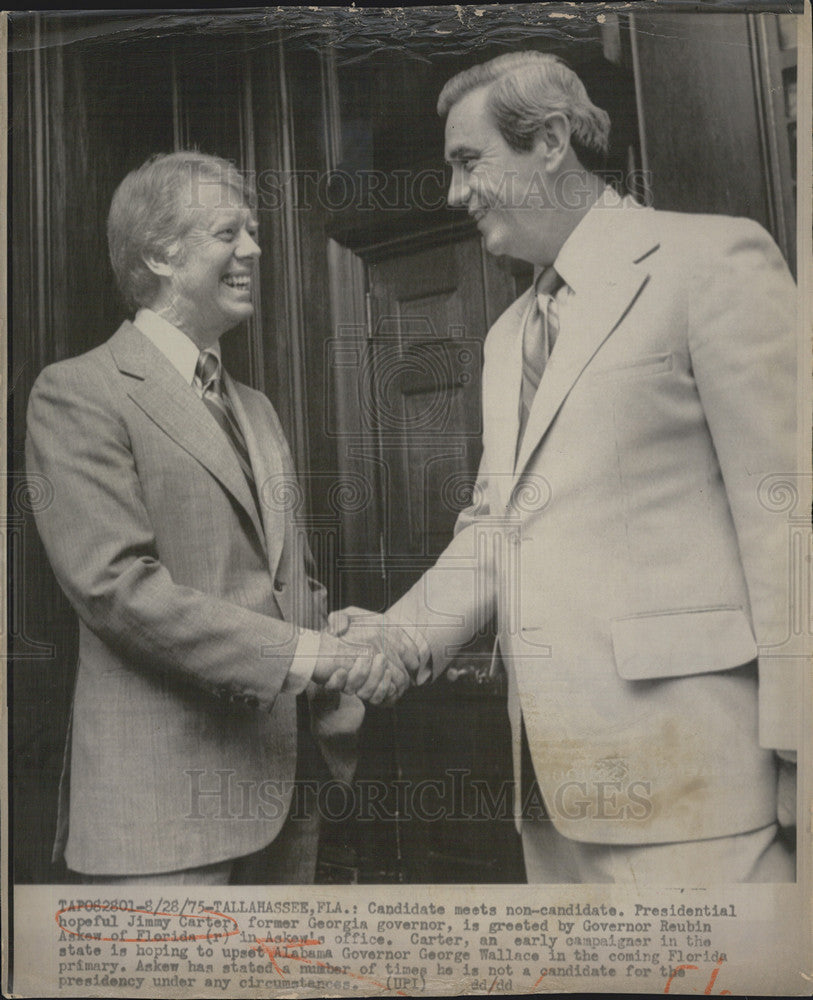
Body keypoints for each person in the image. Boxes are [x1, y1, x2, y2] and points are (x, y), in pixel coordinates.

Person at [340, 52, 798, 883]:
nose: (451, 194)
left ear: (548, 141)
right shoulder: (508, 333)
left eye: (467, 161)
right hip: (551, 792)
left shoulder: (711, 263)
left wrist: (802, 757)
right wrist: (400, 636)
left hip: (703, 791)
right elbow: (497, 528)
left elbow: (790, 525)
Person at [26, 151, 416, 884]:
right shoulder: (78, 392)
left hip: (288, 800)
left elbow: (281, 580)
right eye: (227, 233)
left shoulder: (256, 408)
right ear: (159, 255)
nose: (253, 250)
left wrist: (347, 644)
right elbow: (116, 588)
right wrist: (311, 656)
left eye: (253, 230)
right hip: (162, 814)